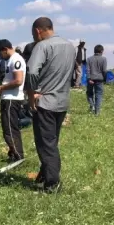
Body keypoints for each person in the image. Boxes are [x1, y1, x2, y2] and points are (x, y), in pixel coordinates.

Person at [26, 17, 76, 193]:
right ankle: (44, 174)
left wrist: (31, 94)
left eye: (34, 34)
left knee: (46, 144)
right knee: (52, 141)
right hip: (62, 101)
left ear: (38, 31)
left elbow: (31, 71)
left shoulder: (42, 46)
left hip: (45, 102)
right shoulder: (70, 46)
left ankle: (52, 184)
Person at [0, 39, 26, 162]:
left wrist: (1, 88)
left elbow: (18, 81)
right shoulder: (11, 60)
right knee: (9, 128)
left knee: (10, 130)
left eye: (0, 54)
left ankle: (18, 156)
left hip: (12, 99)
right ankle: (13, 153)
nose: (0, 57)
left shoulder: (16, 60)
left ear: (5, 49)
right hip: (8, 98)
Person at [86, 45, 108, 115]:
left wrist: (89, 78)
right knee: (98, 94)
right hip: (99, 79)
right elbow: (104, 70)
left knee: (89, 93)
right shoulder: (104, 59)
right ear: (101, 51)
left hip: (91, 79)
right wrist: (105, 78)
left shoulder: (89, 59)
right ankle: (97, 111)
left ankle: (92, 105)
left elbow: (87, 70)